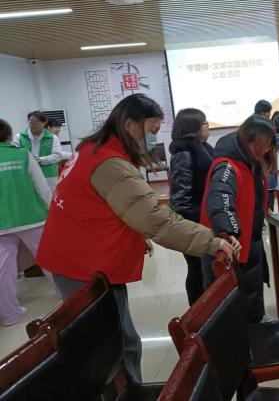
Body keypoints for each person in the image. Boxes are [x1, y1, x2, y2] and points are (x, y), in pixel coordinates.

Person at [35, 94, 237, 385]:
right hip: (82, 264)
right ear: (130, 124)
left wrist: (132, 235)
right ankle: (126, 392)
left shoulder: (92, 149)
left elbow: (98, 206)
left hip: (72, 254)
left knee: (112, 339)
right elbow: (156, 219)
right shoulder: (111, 165)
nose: (153, 138)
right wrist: (212, 241)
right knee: (118, 345)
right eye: (151, 130)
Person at [201, 114, 276, 324]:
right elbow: (220, 199)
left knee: (252, 287)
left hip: (249, 239)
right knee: (229, 299)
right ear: (249, 141)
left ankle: (255, 324)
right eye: (264, 144)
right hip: (230, 244)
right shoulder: (227, 166)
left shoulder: (249, 160)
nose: (267, 149)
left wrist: (264, 208)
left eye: (269, 145)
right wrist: (230, 231)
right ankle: (242, 333)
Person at [0, 119, 52, 326]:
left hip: (2, 225)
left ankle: (10, 315)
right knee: (49, 258)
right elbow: (41, 186)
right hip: (32, 217)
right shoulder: (22, 154)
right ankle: (67, 296)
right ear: (8, 135)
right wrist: (52, 211)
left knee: (4, 270)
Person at [169, 108, 215, 306]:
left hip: (203, 220)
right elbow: (181, 199)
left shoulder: (202, 148)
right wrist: (197, 227)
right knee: (197, 269)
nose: (207, 127)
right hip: (193, 224)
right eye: (205, 124)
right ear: (194, 128)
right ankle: (198, 312)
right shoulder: (184, 154)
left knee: (205, 269)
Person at [13, 111, 61, 190]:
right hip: (27, 174)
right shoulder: (20, 137)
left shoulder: (52, 138)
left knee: (49, 196)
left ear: (44, 123)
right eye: (30, 122)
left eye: (36, 122)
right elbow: (14, 154)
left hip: (48, 175)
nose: (32, 125)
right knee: (29, 195)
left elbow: (57, 156)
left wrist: (41, 160)